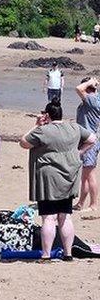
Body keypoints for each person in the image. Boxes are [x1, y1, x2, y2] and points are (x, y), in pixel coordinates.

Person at [19, 99, 97, 259]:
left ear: (47, 115)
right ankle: (68, 253)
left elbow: (23, 142)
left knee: (48, 217)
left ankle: (46, 254)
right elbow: (92, 139)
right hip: (68, 176)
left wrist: (37, 125)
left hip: (48, 178)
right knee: (65, 215)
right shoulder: (74, 127)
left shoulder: (43, 131)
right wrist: (79, 152)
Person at [75, 77, 100, 211]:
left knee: (89, 174)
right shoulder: (95, 98)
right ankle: (81, 203)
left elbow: (78, 89)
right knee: (84, 175)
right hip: (88, 139)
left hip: (89, 141)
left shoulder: (91, 99)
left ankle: (94, 204)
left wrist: (91, 82)